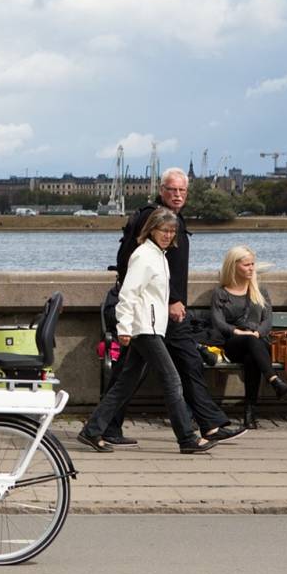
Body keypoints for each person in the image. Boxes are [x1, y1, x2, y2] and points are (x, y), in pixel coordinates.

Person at [99, 168, 243, 445]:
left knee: (139, 371)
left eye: (182, 191)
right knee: (178, 366)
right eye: (172, 190)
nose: (177, 195)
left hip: (163, 310)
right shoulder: (152, 218)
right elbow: (136, 267)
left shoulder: (170, 218)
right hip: (158, 311)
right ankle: (201, 428)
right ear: (161, 190)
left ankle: (106, 428)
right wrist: (173, 300)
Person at [78, 209, 215, 454]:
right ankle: (186, 438)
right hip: (144, 329)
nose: (169, 235)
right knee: (172, 380)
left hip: (151, 327)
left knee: (125, 384)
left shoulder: (159, 255)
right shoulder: (144, 256)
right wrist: (124, 327)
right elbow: (128, 294)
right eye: (165, 230)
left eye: (172, 231)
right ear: (152, 229)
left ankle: (92, 430)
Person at [210, 246, 287, 428]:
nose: (251, 268)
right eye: (246, 264)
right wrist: (238, 332)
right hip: (233, 344)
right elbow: (218, 322)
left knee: (252, 358)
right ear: (234, 266)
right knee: (249, 344)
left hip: (258, 342)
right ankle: (274, 381)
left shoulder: (259, 290)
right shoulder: (221, 293)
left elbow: (267, 319)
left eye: (253, 264)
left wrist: (257, 333)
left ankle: (250, 414)